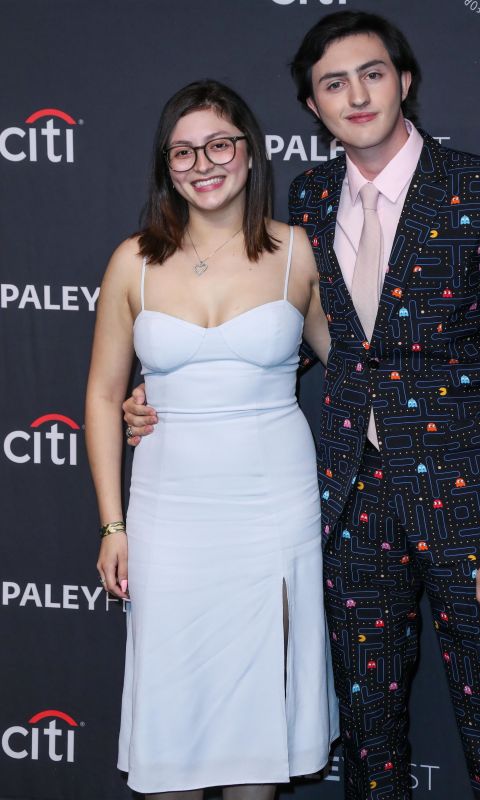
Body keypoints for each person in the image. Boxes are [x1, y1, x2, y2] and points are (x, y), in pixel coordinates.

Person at [124, 12, 480, 800]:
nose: (355, 94)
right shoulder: (307, 206)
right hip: (350, 506)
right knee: (370, 744)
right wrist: (171, 390)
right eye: (332, 83)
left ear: (403, 82)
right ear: (312, 107)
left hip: (471, 508)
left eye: (371, 73)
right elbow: (305, 339)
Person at [85, 79, 338, 800]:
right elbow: (104, 395)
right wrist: (113, 525)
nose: (203, 163)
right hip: (169, 511)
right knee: (174, 733)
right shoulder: (131, 260)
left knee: (255, 734)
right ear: (166, 165)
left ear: (250, 154)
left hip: (272, 508)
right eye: (183, 151)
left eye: (218, 144)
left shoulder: (298, 254)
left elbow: (353, 370)